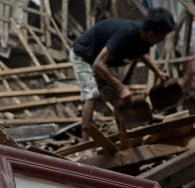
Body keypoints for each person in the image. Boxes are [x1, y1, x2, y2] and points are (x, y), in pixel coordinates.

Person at [69, 7, 175, 138]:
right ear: (152, 33)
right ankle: (84, 146)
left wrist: (158, 72)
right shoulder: (125, 33)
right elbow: (98, 63)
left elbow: (143, 55)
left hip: (102, 62)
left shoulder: (144, 38)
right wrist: (121, 87)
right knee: (92, 94)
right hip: (84, 56)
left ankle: (123, 137)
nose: (162, 40)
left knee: (120, 99)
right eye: (162, 36)